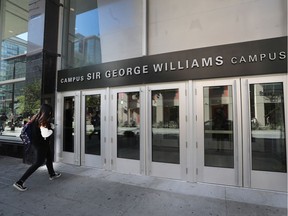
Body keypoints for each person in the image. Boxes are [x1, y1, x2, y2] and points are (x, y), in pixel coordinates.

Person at [13, 104, 61, 191]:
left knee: (48, 157)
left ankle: (52, 173)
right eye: (50, 111)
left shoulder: (36, 117)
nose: (51, 113)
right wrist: (52, 129)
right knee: (38, 162)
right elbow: (45, 134)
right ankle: (20, 182)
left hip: (39, 143)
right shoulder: (42, 120)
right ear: (47, 112)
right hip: (41, 145)